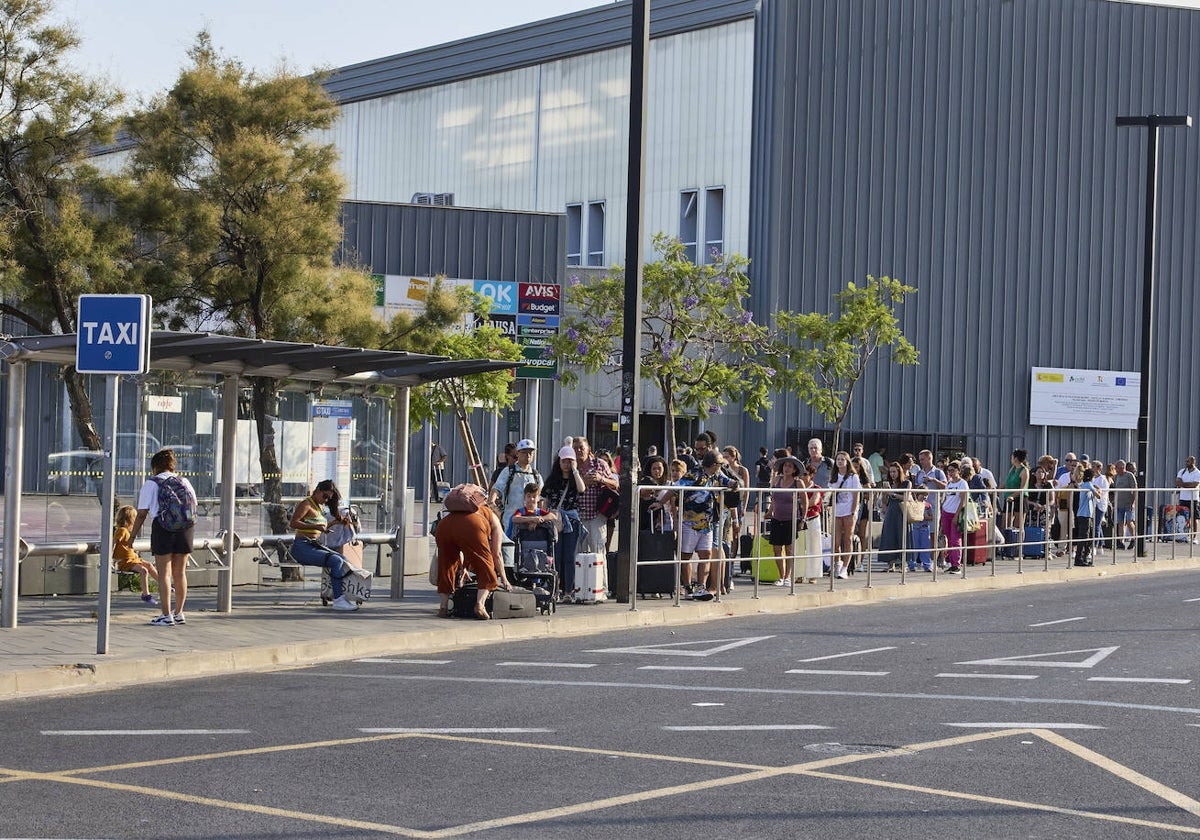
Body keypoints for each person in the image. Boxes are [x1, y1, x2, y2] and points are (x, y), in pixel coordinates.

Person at [131, 449, 197, 627]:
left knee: (164, 575)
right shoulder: (184, 482)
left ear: (155, 467)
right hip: (185, 529)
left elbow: (141, 514)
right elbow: (193, 507)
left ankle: (166, 615)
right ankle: (179, 613)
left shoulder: (152, 484)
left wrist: (131, 538)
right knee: (180, 573)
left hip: (163, 529)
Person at [435, 491, 510, 619]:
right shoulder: (494, 518)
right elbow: (496, 554)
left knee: (446, 566)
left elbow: (461, 547)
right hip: (473, 526)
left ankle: (443, 607)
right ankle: (480, 605)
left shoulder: (464, 510)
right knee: (486, 565)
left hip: (444, 526)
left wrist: (464, 567)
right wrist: (504, 579)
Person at [288, 480, 361, 612]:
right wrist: (315, 526)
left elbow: (321, 526)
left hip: (314, 545)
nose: (326, 500)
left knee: (343, 559)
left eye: (329, 499)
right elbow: (293, 523)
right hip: (302, 547)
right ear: (318, 490)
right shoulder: (307, 504)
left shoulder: (319, 507)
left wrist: (334, 523)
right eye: (325, 496)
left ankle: (341, 595)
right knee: (335, 561)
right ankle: (338, 600)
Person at [541, 445, 588, 602]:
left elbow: (582, 489)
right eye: (564, 461)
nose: (567, 464)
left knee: (569, 556)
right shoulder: (552, 479)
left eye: (570, 461)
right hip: (555, 520)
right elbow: (544, 499)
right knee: (556, 556)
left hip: (572, 521)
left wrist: (575, 471)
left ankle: (568, 591)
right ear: (559, 462)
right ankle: (555, 590)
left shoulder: (576, 479)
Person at [573, 436, 618, 557]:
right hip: (576, 517)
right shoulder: (570, 466)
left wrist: (601, 479)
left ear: (588, 449)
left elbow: (615, 484)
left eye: (581, 448)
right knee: (577, 556)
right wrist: (582, 482)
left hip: (596, 516)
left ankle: (599, 577)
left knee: (598, 554)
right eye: (575, 448)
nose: (578, 451)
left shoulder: (600, 464)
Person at [765, 455, 803, 586]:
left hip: (791, 518)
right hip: (777, 517)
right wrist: (770, 511)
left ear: (794, 470)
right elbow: (773, 497)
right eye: (785, 465)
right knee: (776, 548)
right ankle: (781, 576)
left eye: (790, 466)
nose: (787, 468)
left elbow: (805, 500)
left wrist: (802, 519)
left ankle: (788, 577)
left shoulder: (798, 483)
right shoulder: (777, 480)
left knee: (789, 549)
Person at [489, 438, 542, 533]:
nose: (528, 455)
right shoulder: (509, 471)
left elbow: (541, 497)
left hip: (531, 521)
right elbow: (497, 488)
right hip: (511, 520)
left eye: (531, 453)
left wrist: (539, 517)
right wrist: (492, 504)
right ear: (518, 453)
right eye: (524, 452)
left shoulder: (536, 475)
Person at [112, 504, 160, 605]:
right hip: (126, 562)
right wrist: (110, 558)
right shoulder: (122, 531)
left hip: (133, 559)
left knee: (149, 565)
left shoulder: (126, 532)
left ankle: (164, 584)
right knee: (144, 571)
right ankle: (146, 594)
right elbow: (114, 542)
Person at [830, 451, 860, 579]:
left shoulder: (853, 477)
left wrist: (853, 511)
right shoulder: (834, 477)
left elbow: (856, 495)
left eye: (843, 459)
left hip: (849, 510)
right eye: (838, 459)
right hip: (837, 511)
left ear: (847, 461)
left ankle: (845, 568)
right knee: (835, 541)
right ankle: (837, 563)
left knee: (847, 539)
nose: (840, 461)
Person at [877, 462, 911, 573]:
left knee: (902, 536)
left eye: (894, 471)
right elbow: (885, 500)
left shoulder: (906, 483)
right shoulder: (889, 484)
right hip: (891, 511)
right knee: (889, 536)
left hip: (901, 511)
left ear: (899, 472)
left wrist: (892, 493)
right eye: (890, 472)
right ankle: (890, 564)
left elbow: (906, 497)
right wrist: (885, 495)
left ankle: (904, 564)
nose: (892, 474)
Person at [940, 460, 968, 573]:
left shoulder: (962, 483)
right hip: (946, 512)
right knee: (949, 538)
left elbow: (963, 501)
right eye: (949, 471)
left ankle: (957, 564)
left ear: (958, 471)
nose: (950, 473)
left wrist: (956, 515)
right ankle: (951, 563)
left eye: (953, 470)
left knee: (956, 539)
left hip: (955, 513)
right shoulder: (949, 483)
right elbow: (946, 498)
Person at [1111, 459, 1138, 549]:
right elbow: (1115, 490)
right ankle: (1120, 541)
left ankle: (1133, 539)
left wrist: (1133, 503)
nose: (1115, 469)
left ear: (1122, 467)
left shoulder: (1129, 476)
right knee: (1120, 522)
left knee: (1129, 521)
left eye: (1117, 468)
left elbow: (1134, 489)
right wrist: (1114, 501)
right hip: (1119, 503)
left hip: (1128, 503)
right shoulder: (1116, 477)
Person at [1175, 455, 1200, 543]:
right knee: (1184, 518)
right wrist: (1186, 485)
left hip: (1193, 499)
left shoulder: (1197, 473)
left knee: (1194, 518)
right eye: (1186, 461)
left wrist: (1183, 484)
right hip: (1183, 498)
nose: (1186, 463)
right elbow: (1177, 482)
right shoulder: (1182, 471)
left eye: (1188, 461)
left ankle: (1194, 537)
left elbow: (1195, 485)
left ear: (1193, 462)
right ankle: (1184, 535)